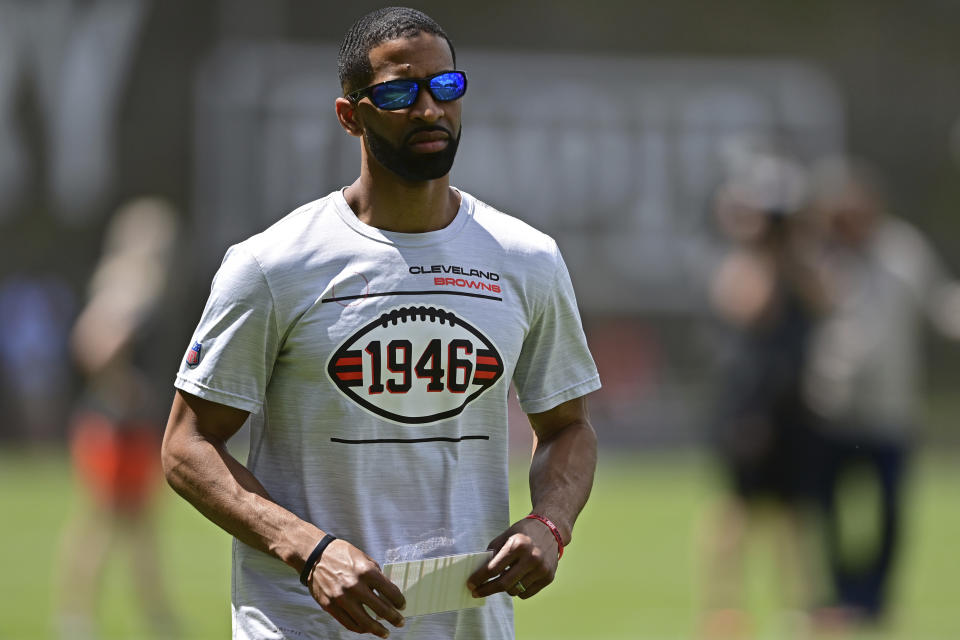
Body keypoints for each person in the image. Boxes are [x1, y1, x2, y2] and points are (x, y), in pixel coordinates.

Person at [161, 7, 600, 640]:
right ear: (350, 115)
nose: (427, 109)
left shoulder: (526, 258)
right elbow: (186, 445)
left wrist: (551, 521)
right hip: (302, 625)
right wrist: (307, 548)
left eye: (444, 86)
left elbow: (568, 427)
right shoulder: (273, 264)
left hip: (464, 624)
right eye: (398, 92)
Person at [803, 156, 960, 626]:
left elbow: (940, 305)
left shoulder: (904, 251)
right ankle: (839, 594)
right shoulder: (817, 254)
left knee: (890, 510)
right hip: (831, 407)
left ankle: (874, 599)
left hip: (891, 409)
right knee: (828, 512)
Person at [699, 152, 828, 638]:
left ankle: (803, 604)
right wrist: (764, 247)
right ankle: (723, 606)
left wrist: (799, 241)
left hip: (793, 402)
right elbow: (747, 306)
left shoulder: (801, 263)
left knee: (796, 510)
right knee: (737, 507)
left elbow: (825, 298)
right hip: (748, 405)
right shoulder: (742, 262)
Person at [57, 197, 181, 639]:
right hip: (112, 423)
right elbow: (92, 340)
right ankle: (75, 616)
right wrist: (121, 383)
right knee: (100, 521)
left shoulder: (128, 280)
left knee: (139, 525)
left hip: (125, 424)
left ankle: (155, 614)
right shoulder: (131, 282)